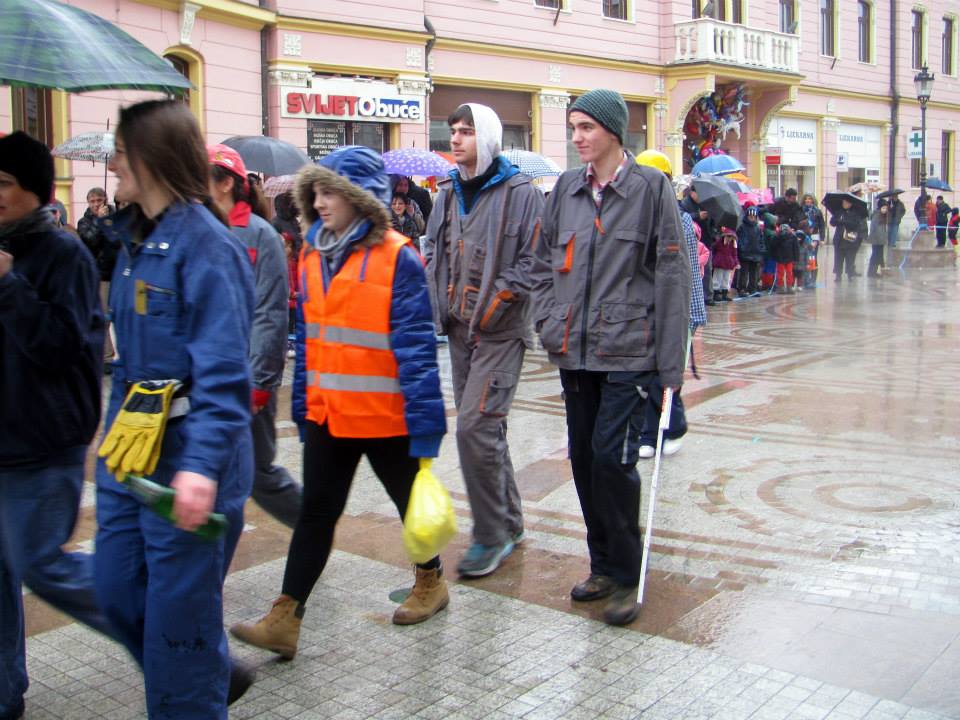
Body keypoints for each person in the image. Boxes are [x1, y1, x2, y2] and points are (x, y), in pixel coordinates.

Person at [230, 145, 449, 659]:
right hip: (329, 413)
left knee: (409, 506)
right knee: (316, 514)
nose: (320, 202)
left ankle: (431, 581)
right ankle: (285, 617)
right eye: (317, 193)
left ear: (360, 197)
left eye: (331, 192)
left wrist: (426, 426)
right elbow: (308, 340)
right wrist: (303, 406)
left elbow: (417, 349)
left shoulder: (398, 256)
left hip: (385, 417)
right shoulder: (312, 255)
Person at [95, 100, 256, 719]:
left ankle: (192, 687)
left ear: (151, 158)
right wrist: (110, 447)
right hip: (129, 456)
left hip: (186, 465)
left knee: (177, 627)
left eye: (120, 153)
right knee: (114, 590)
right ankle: (206, 670)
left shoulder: (208, 247)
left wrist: (201, 467)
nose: (112, 165)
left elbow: (224, 375)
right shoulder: (133, 239)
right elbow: (128, 365)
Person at [530, 89, 691, 626]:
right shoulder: (566, 189)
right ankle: (601, 563)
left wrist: (670, 367)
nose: (577, 137)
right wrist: (548, 320)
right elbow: (542, 262)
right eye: (573, 127)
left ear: (614, 131)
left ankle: (625, 574)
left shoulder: (651, 188)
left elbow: (672, 274)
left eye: (587, 127)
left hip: (629, 352)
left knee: (611, 460)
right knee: (582, 460)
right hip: (575, 351)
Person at [0, 131, 114, 720]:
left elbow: (63, 348)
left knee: (44, 565)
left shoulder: (62, 254)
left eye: (2, 183)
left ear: (35, 190)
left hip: (43, 444)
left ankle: (180, 635)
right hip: (5, 441)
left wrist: (8, 286)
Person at [423, 103, 543, 577]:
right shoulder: (446, 193)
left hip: (501, 332)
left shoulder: (521, 193)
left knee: (474, 428)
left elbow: (537, 259)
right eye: (453, 131)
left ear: (488, 138)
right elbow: (433, 249)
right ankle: (509, 522)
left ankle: (490, 536)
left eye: (467, 132)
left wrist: (500, 299)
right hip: (458, 330)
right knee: (487, 430)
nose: (456, 139)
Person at [208, 143, 300, 529]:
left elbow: (270, 313)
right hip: (210, 374)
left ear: (226, 183)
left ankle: (312, 526)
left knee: (258, 471)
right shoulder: (204, 230)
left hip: (247, 375)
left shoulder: (261, 235)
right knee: (208, 468)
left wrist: (261, 382)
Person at [633, 149, 704, 460]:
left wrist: (692, 315)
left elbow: (688, 272)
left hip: (673, 310)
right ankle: (650, 431)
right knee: (643, 374)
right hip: (640, 310)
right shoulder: (630, 215)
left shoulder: (681, 219)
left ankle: (667, 429)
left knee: (663, 373)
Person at [77, 187, 119, 368]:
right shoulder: (84, 222)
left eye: (99, 200)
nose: (95, 204)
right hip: (101, 275)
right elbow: (90, 241)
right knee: (104, 318)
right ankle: (107, 357)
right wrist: (99, 222)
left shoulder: (116, 217)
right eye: (92, 201)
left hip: (118, 272)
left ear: (105, 200)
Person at [680, 186, 716, 306]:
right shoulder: (684, 203)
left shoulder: (706, 203)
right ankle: (695, 296)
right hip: (692, 242)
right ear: (692, 192)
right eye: (698, 193)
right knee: (694, 271)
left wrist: (714, 232)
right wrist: (697, 215)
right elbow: (681, 217)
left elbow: (712, 222)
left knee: (707, 269)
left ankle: (708, 296)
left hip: (706, 240)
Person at [830, 198, 865, 281]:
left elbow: (855, 224)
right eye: (844, 202)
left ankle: (850, 274)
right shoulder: (839, 212)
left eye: (847, 203)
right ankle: (838, 275)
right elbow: (832, 222)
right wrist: (837, 220)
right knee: (838, 258)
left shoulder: (855, 213)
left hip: (850, 239)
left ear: (851, 204)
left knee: (850, 258)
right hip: (839, 239)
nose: (845, 204)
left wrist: (843, 222)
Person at [736, 205, 764, 296]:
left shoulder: (758, 228)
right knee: (744, 272)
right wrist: (741, 248)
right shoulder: (742, 227)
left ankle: (753, 288)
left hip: (755, 252)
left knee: (754, 273)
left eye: (753, 217)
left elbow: (761, 239)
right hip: (745, 252)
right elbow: (739, 239)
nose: (752, 218)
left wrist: (761, 249)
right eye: (750, 216)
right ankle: (742, 289)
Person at [711, 227, 738, 302]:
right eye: (728, 236)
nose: (729, 238)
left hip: (729, 263)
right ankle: (716, 293)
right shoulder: (720, 242)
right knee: (717, 278)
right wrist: (721, 241)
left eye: (731, 237)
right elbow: (714, 248)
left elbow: (735, 254)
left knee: (726, 279)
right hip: (719, 263)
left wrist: (736, 262)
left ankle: (724, 293)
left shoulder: (733, 244)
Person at [867, 199, 889, 278]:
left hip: (880, 240)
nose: (885, 210)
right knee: (875, 256)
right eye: (883, 208)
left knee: (878, 255)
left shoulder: (883, 216)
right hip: (876, 240)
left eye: (886, 208)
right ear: (880, 208)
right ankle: (871, 272)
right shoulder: (876, 216)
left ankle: (874, 271)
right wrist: (878, 238)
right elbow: (873, 228)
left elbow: (883, 229)